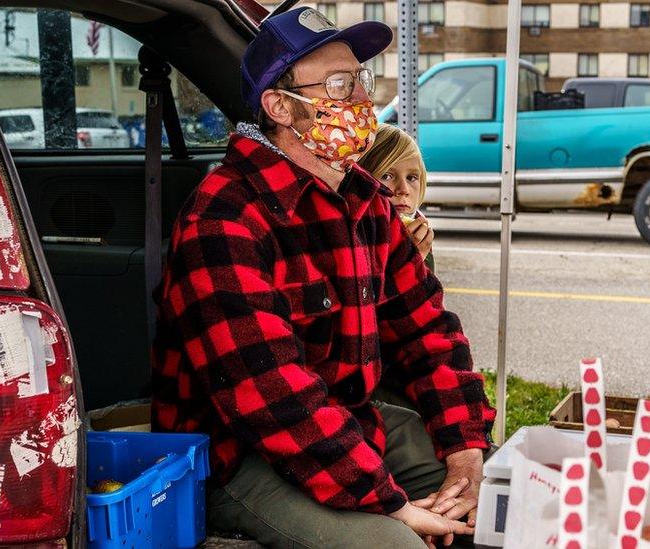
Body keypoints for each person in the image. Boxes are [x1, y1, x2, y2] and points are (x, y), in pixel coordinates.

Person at [151, 8, 496, 549]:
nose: (362, 100)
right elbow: (272, 398)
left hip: (347, 424)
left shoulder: (365, 200)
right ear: (280, 106)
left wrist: (466, 448)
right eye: (340, 84)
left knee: (494, 505)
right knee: (394, 546)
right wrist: (391, 505)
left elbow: (427, 331)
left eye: (362, 80)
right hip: (238, 456)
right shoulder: (223, 218)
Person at [357, 123, 436, 271]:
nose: (404, 190)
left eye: (412, 178)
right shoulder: (354, 239)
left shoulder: (418, 236)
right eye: (386, 176)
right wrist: (406, 261)